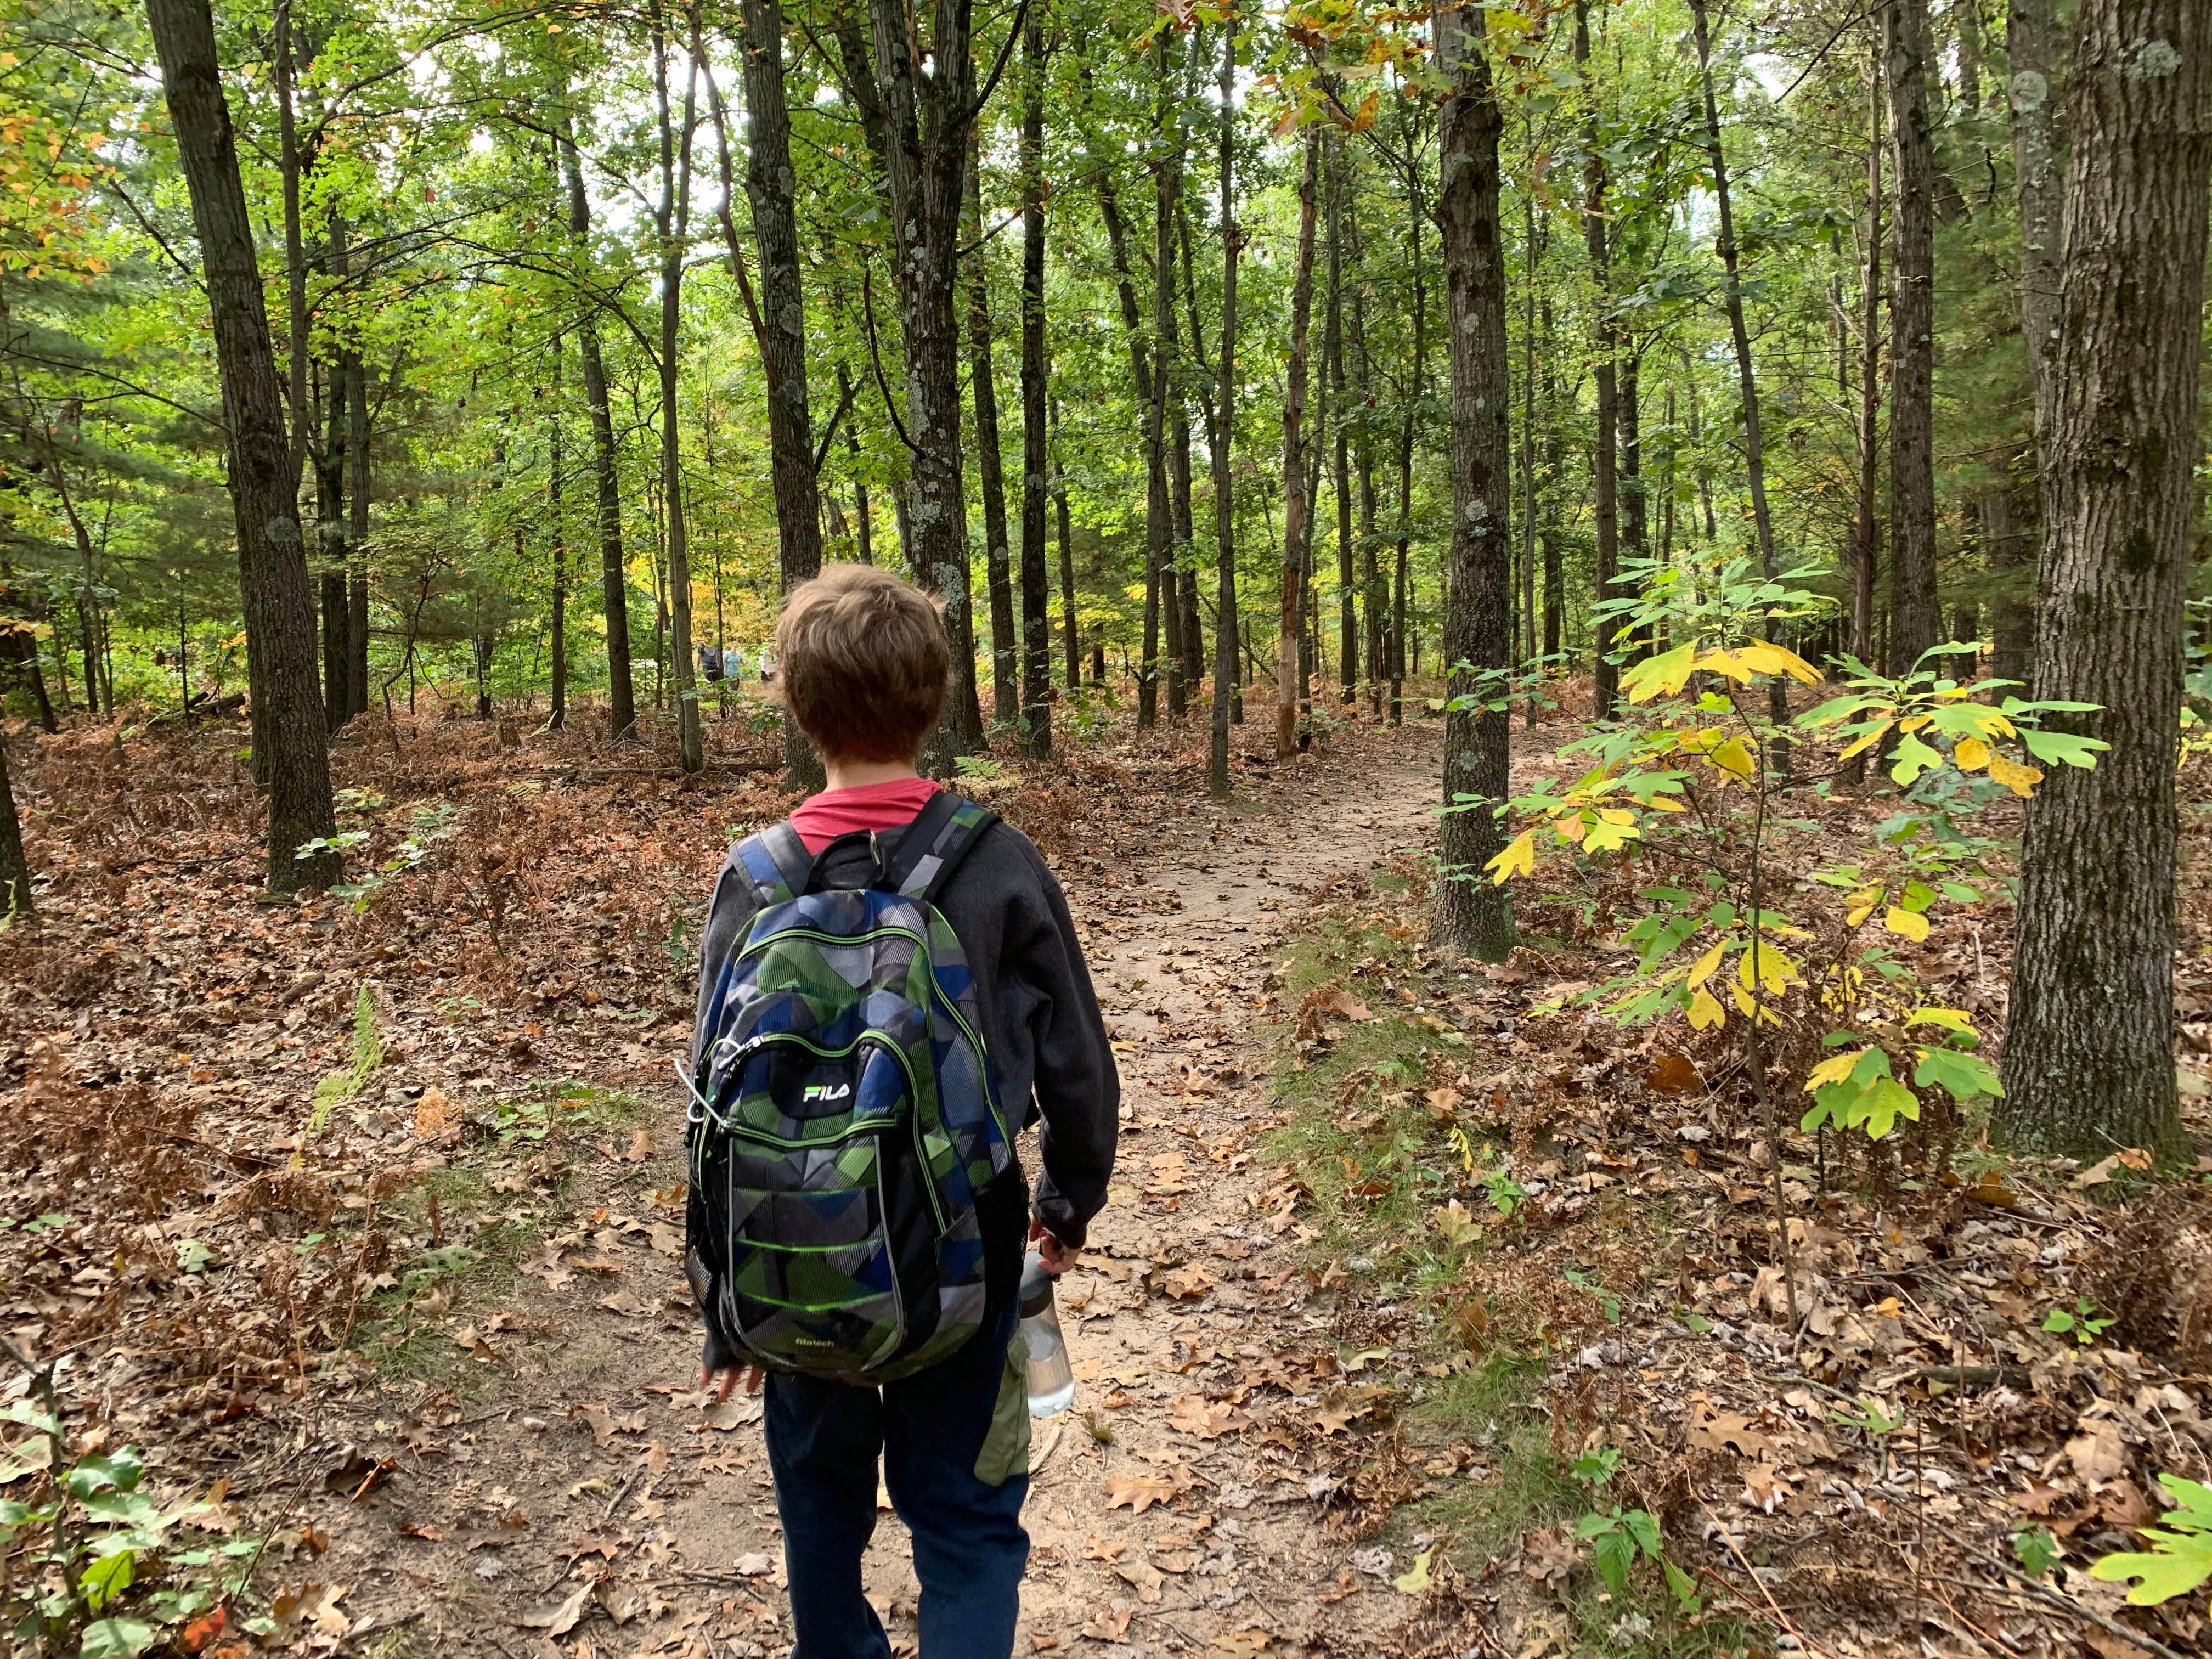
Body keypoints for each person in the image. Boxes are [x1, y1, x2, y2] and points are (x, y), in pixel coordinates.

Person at [689, 564, 1118, 1659]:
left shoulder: (754, 878)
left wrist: (722, 1303)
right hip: (964, 1241)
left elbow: (712, 1101)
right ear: (935, 702)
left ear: (794, 703)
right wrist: (1068, 1202)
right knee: (969, 1521)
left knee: (819, 1518)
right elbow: (1076, 1059)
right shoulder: (998, 863)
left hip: (793, 1238)